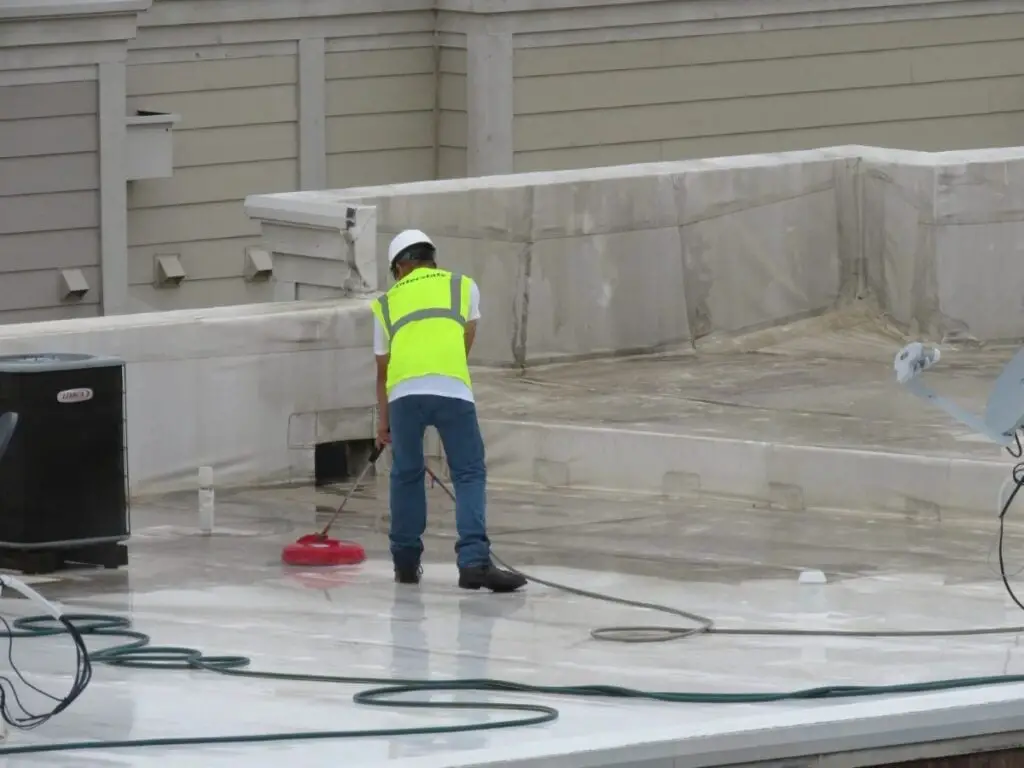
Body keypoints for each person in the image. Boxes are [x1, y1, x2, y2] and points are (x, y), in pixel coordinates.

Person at [370, 229, 526, 593]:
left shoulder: (386, 302)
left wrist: (384, 425)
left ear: (400, 267)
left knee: (406, 474)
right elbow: (464, 341)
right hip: (452, 388)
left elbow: (382, 372)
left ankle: (406, 564)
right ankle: (473, 562)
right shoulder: (464, 287)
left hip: (404, 393)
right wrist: (445, 375)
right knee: (469, 473)